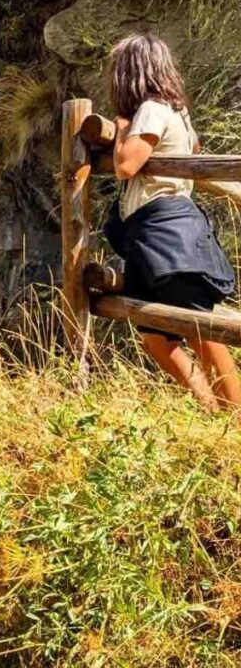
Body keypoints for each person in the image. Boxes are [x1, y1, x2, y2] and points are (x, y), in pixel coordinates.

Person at [106, 33, 241, 411]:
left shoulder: (150, 109)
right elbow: (193, 150)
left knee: (201, 331)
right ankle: (213, 411)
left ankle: (235, 421)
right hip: (157, 235)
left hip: (168, 233)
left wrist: (120, 130)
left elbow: (125, 165)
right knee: (157, 338)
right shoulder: (176, 112)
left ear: (131, 73)